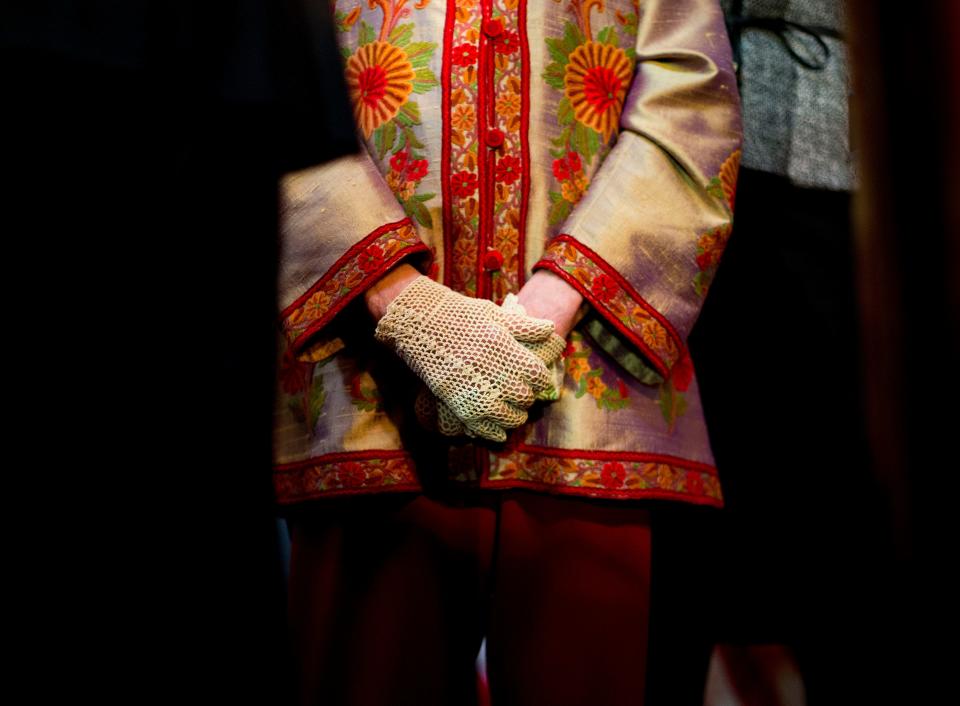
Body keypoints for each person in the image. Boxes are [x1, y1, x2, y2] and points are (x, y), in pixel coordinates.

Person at [273, 1, 742, 704]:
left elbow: (691, 96)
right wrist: (401, 302)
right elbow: (263, 72)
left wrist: (553, 304)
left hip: (588, 394)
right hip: (365, 389)